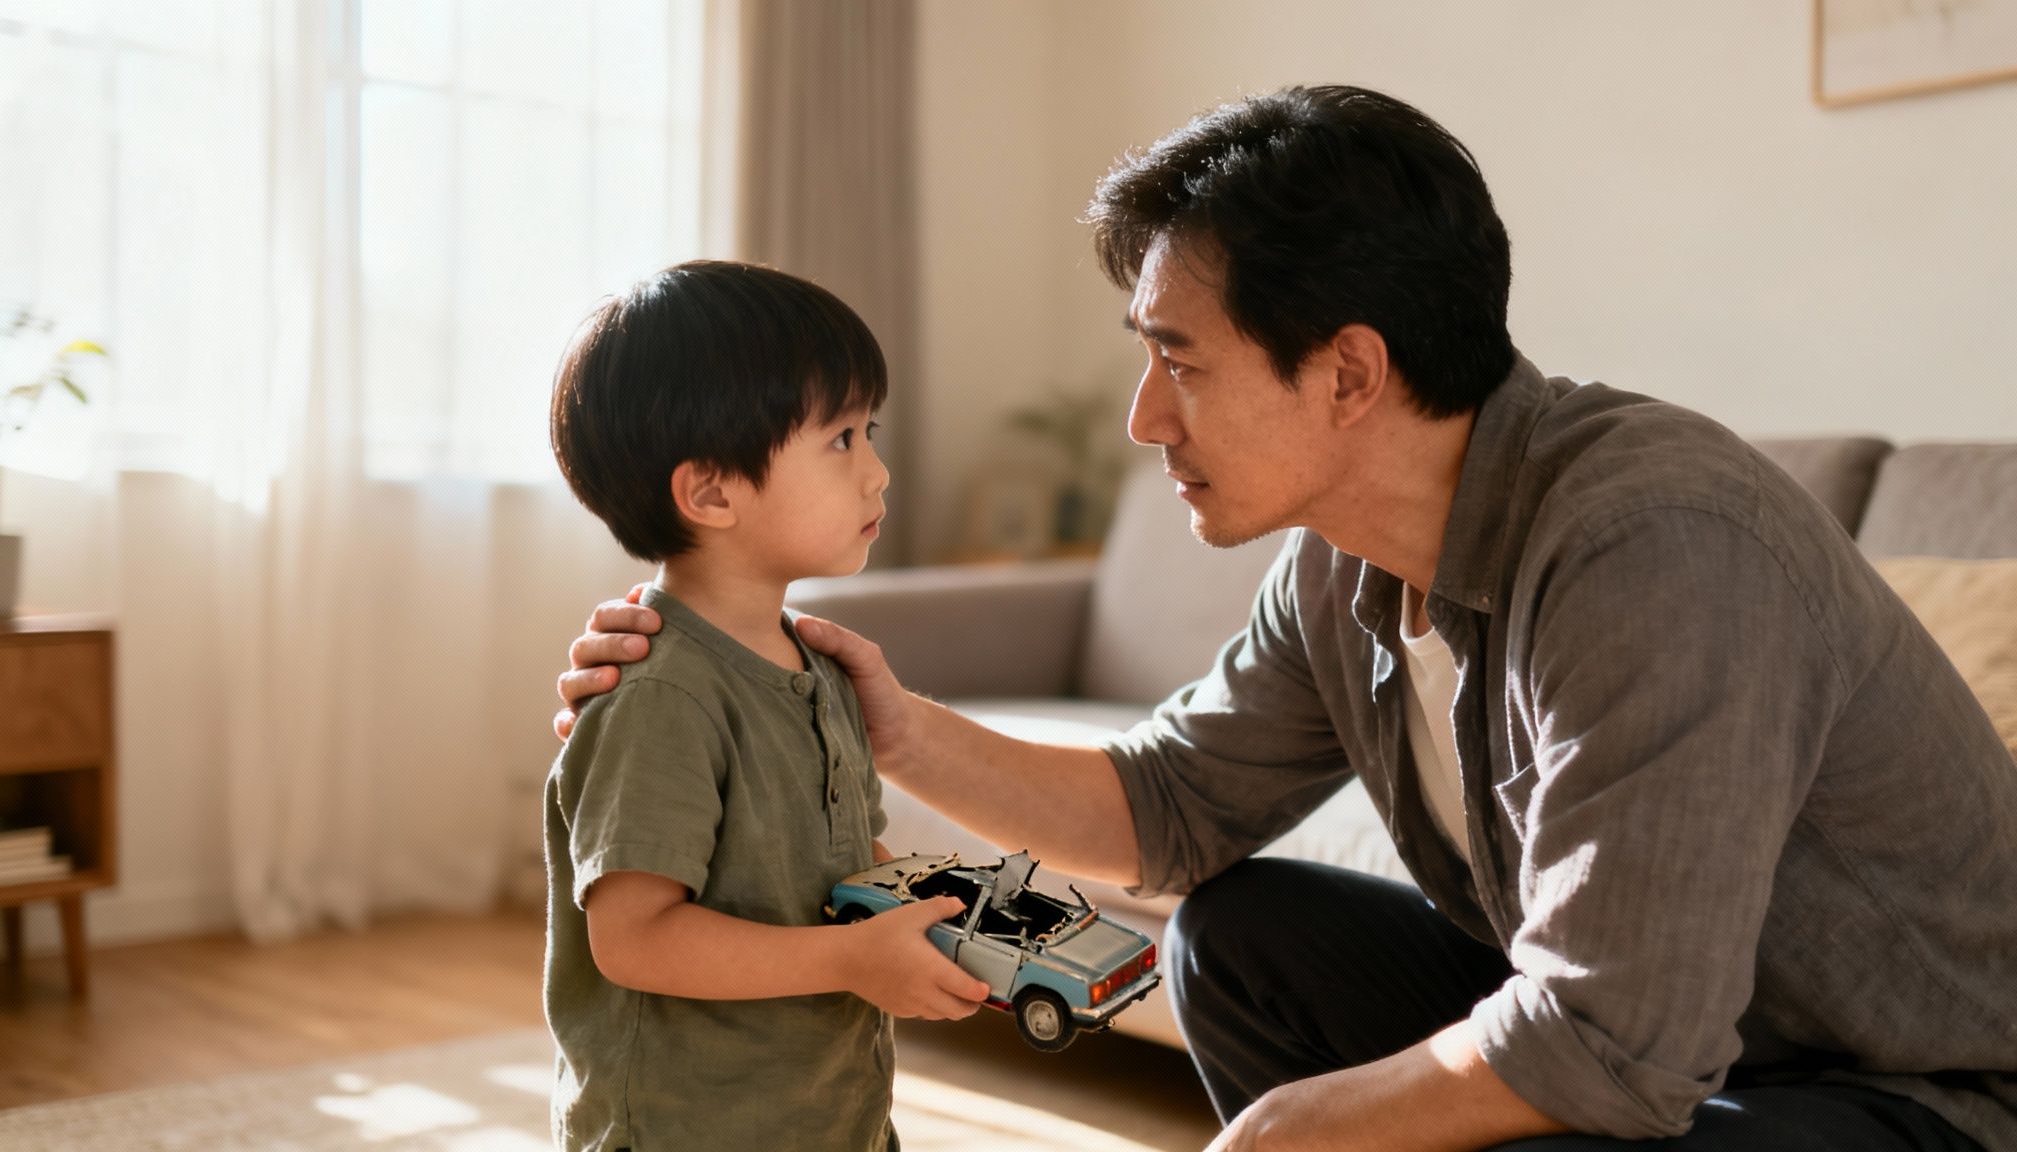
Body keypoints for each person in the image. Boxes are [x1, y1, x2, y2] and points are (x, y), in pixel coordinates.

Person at [556, 89, 2015, 1151]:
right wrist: (879, 721)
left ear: (1350, 372)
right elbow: (1169, 812)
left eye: (1179, 362)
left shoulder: (1655, 547)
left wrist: (1279, 1138)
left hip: (1898, 1088)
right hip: (1676, 1054)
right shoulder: (1341, 559)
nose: (1142, 418)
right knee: (1240, 934)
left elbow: (1616, 1042)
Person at [542, 260, 990, 1152]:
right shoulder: (662, 692)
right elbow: (634, 940)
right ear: (710, 491)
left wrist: (917, 913)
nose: (878, 473)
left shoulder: (813, 664)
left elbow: (834, 856)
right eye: (841, 441)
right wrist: (852, 959)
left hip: (827, 1114)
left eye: (871, 432)